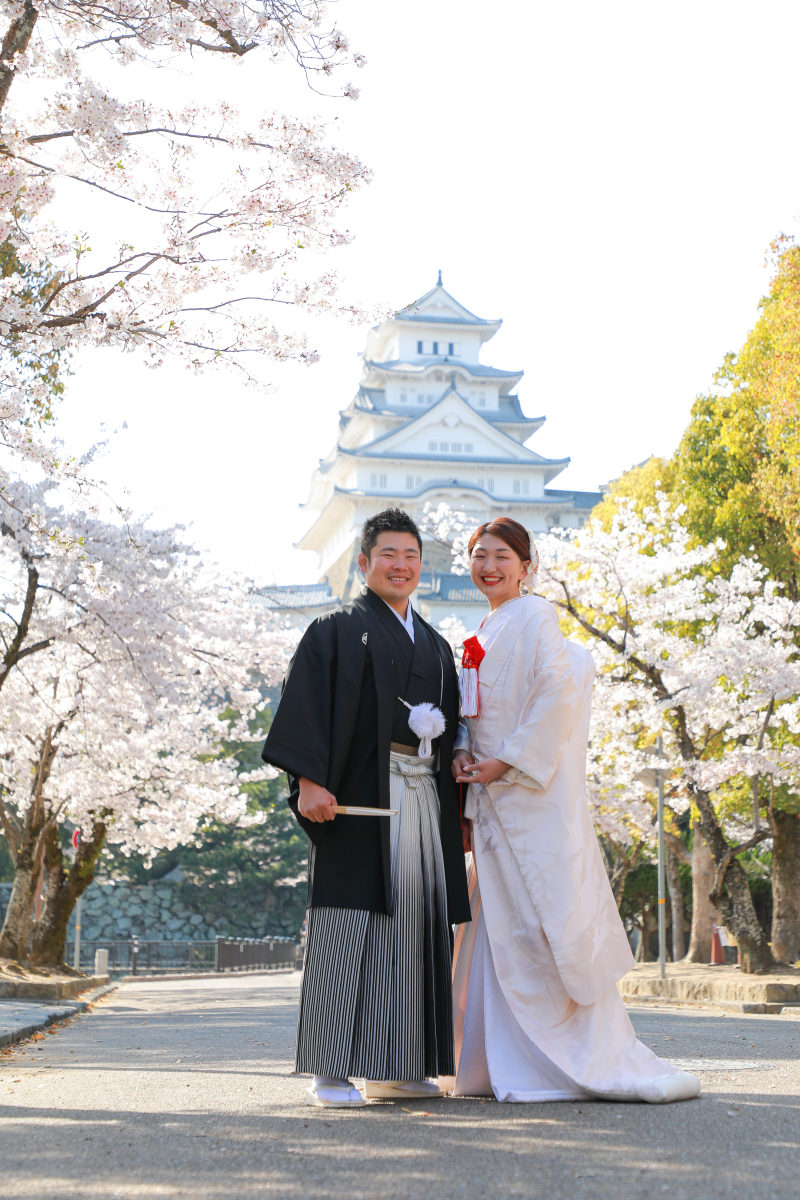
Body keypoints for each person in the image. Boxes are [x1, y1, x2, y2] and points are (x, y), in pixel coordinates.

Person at [445, 517, 701, 1105]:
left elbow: (555, 695)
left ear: (526, 566)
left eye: (502, 556)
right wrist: (464, 753)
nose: (490, 565)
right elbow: (469, 710)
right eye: (479, 555)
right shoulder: (482, 629)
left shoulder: (535, 617)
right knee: (493, 928)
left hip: (524, 795)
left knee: (538, 922)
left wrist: (505, 762)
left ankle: (548, 1061)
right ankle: (492, 1062)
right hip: (491, 796)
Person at [262, 508, 470, 1108]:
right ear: (363, 562)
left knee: (414, 930)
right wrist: (308, 781)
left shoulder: (433, 644)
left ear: (421, 567)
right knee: (347, 926)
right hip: (358, 798)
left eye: (411, 556)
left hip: (421, 797)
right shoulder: (333, 630)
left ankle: (399, 1065)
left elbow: (453, 725)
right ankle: (331, 1070)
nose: (400, 566)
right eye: (388, 555)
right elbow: (305, 707)